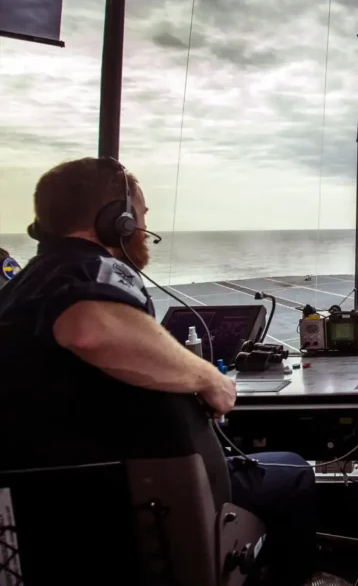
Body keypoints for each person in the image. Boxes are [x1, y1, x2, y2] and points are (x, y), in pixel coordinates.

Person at [0, 157, 331, 586]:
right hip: (141, 499)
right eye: (138, 215)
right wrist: (210, 378)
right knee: (294, 472)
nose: (141, 227)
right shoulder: (90, 267)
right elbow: (87, 330)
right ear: (115, 221)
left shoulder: (26, 283)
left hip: (60, 510)